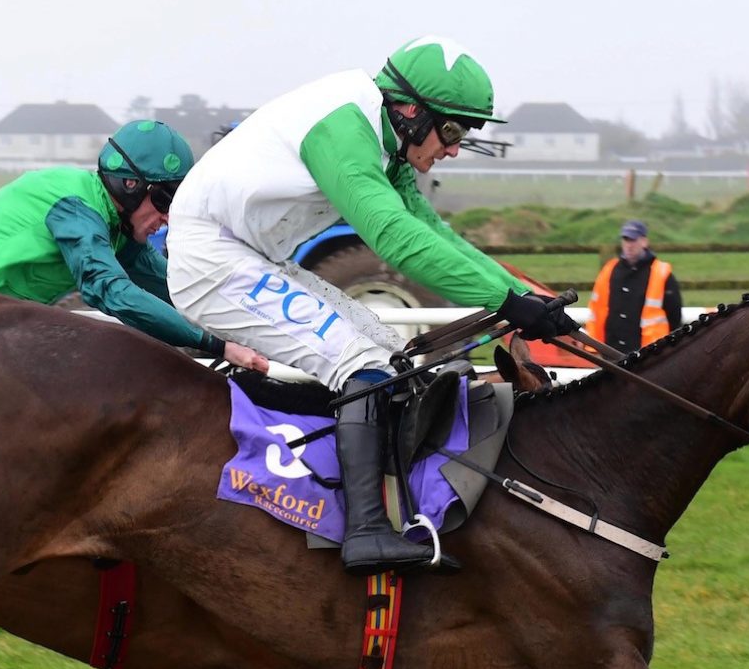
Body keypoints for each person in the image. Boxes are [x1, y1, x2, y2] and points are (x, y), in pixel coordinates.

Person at [165, 37, 569, 573]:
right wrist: (504, 299)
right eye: (451, 131)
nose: (452, 149)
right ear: (409, 110)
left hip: (253, 254)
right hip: (212, 258)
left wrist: (521, 294)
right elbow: (394, 237)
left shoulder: (385, 133)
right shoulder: (344, 127)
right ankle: (364, 532)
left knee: (390, 350)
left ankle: (397, 503)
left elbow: (430, 228)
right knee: (365, 366)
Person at [0, 119, 267, 371]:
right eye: (165, 200)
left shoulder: (116, 224)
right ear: (131, 185)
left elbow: (179, 288)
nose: (168, 218)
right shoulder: (77, 208)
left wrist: (244, 320)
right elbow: (108, 290)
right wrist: (216, 344)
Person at [587, 219, 682, 352]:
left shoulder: (662, 273)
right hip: (610, 350)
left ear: (644, 242)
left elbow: (674, 316)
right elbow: (596, 308)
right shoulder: (609, 270)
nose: (629, 245)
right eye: (626, 240)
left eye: (633, 240)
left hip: (648, 354)